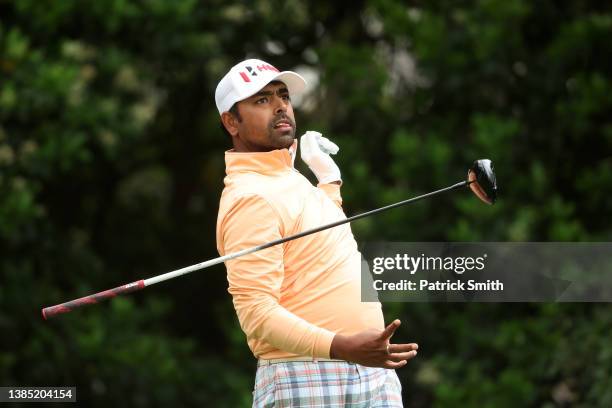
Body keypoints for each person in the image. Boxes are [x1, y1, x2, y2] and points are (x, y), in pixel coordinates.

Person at [215, 58, 418, 407]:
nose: (280, 106)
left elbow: (322, 249)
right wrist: (341, 346)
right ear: (231, 121)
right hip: (307, 373)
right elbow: (257, 314)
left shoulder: (289, 178)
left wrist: (329, 182)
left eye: (283, 96)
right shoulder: (249, 197)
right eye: (261, 100)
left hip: (369, 371)